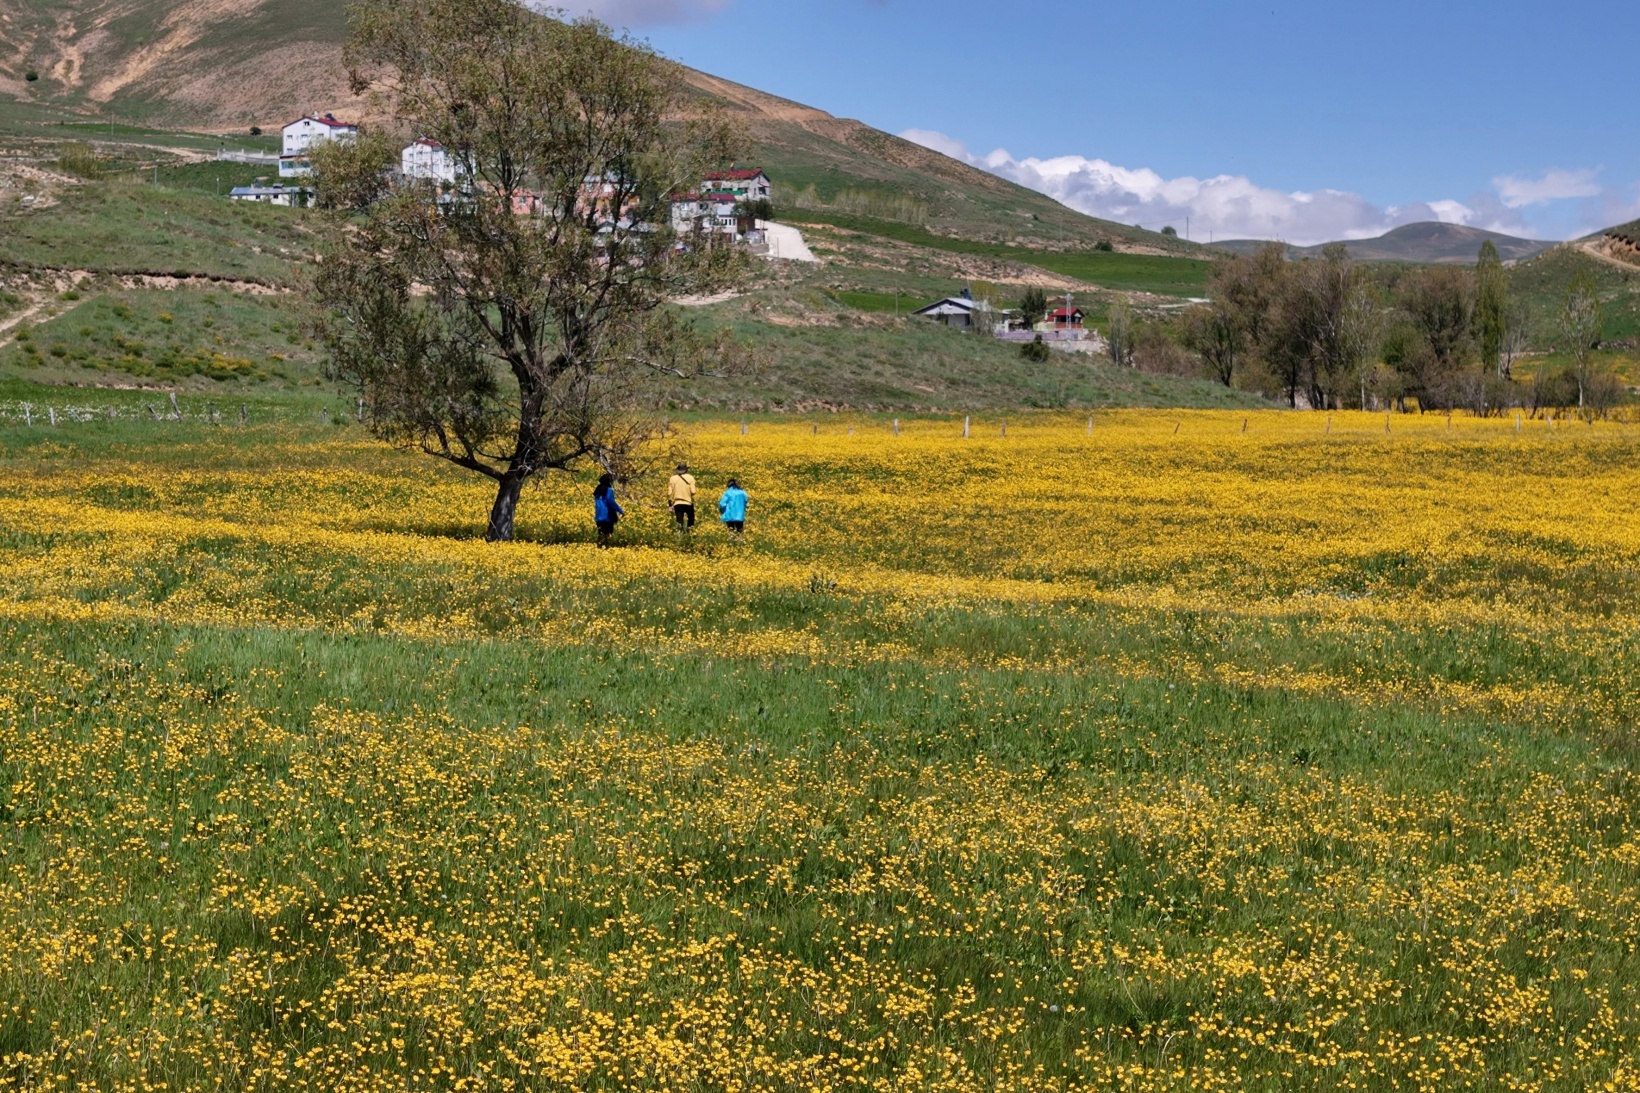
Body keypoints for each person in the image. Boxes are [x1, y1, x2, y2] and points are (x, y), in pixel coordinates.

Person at [593, 472, 623, 547]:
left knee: (600, 534)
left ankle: (600, 548)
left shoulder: (598, 490)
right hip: (607, 516)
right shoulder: (608, 490)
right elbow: (611, 502)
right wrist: (620, 510)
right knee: (608, 534)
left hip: (599, 517)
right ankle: (607, 548)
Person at [668, 462, 696, 532]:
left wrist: (670, 505)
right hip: (688, 503)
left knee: (679, 521)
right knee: (691, 518)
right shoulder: (690, 478)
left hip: (677, 503)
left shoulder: (672, 478)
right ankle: (689, 532)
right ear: (686, 470)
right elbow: (693, 491)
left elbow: (669, 493)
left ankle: (679, 535)